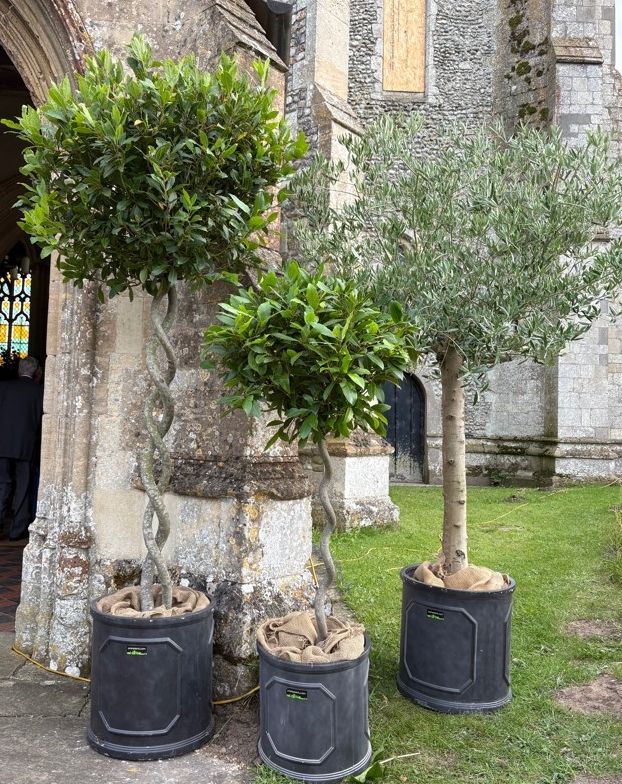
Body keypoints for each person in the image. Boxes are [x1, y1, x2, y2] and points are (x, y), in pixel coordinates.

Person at [0, 356, 44, 541]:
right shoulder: (39, 392)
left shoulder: (3, 387)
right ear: (35, 373)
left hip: (2, 445)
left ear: (19, 369)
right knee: (23, 488)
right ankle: (17, 530)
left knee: (1, 485)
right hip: (27, 447)